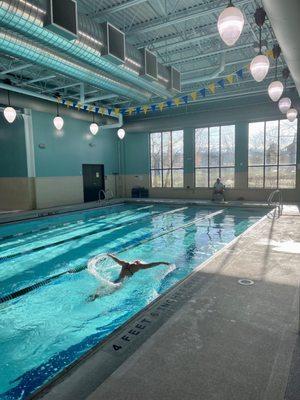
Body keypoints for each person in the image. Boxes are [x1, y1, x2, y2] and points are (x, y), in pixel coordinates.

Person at [87, 254, 171, 301]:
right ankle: (96, 296)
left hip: (116, 280)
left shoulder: (125, 264)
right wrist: (161, 262)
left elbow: (116, 260)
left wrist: (110, 255)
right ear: (138, 263)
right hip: (120, 283)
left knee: (106, 285)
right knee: (110, 292)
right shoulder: (139, 267)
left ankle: (94, 294)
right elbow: (151, 265)